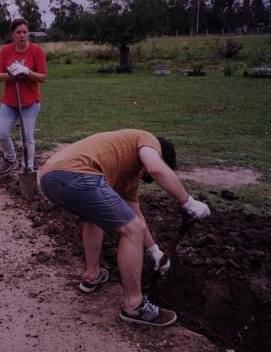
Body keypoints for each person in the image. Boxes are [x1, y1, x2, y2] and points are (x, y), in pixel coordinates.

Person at [39, 129, 211, 327]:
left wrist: (154, 251)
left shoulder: (126, 173)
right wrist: (188, 203)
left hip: (50, 177)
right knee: (132, 231)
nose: (150, 178)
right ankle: (134, 306)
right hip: (76, 174)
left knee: (95, 218)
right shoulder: (146, 139)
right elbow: (155, 168)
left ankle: (91, 275)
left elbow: (135, 214)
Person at [0, 18, 47, 173]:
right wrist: (11, 74)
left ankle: (27, 168)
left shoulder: (37, 51)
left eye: (25, 32)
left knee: (27, 137)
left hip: (31, 101)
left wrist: (27, 71)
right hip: (10, 101)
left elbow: (42, 77)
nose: (22, 35)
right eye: (18, 32)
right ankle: (10, 157)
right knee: (1, 134)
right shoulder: (6, 51)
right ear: (12, 34)